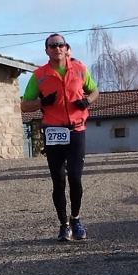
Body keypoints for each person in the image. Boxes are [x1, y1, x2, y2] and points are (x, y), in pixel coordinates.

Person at [21, 33, 99, 241]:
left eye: (60, 44)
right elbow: (25, 104)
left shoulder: (81, 70)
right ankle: (63, 224)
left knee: (75, 177)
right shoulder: (39, 75)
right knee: (59, 181)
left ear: (66, 48)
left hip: (76, 130)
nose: (57, 48)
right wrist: (42, 102)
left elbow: (94, 91)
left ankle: (76, 219)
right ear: (46, 50)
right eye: (52, 45)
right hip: (54, 131)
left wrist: (88, 101)